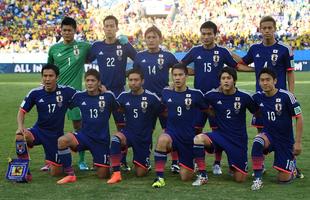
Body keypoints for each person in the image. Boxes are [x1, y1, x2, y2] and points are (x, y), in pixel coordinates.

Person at [232, 16, 302, 177]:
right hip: (261, 98)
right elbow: (241, 63)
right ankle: (260, 164)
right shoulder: (255, 48)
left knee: (286, 131)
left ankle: (292, 163)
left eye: (270, 28)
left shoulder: (285, 49)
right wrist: (230, 53)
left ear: (275, 29)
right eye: (264, 28)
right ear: (260, 30)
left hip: (281, 99)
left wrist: (291, 92)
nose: (267, 31)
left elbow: (290, 73)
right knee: (260, 130)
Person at [181, 21, 253, 175]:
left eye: (209, 34)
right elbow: (180, 66)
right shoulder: (195, 51)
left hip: (218, 100)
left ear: (215, 35)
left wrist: (256, 70)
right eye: (203, 34)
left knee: (218, 130)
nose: (206, 37)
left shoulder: (222, 51)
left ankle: (217, 163)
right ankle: (196, 161)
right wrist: (194, 71)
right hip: (200, 99)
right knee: (196, 129)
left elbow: (236, 66)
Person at [192, 67, 257, 186]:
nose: (226, 81)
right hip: (220, 136)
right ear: (220, 81)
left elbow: (257, 112)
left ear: (234, 80)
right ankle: (202, 175)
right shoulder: (212, 95)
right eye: (223, 78)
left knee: (240, 179)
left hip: (238, 140)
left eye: (229, 78)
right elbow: (197, 100)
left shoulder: (245, 97)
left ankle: (234, 165)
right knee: (198, 139)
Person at [88, 15, 137, 171]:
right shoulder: (96, 46)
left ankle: (121, 160)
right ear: (103, 28)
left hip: (119, 92)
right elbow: (85, 60)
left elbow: (139, 59)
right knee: (99, 126)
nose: (109, 28)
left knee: (122, 127)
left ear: (117, 28)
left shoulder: (123, 45)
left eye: (112, 26)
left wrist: (127, 73)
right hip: (101, 92)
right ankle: (99, 158)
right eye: (106, 26)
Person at [15, 64, 76, 181]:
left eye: (51, 76)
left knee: (56, 173)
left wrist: (101, 89)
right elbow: (21, 111)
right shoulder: (35, 92)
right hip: (39, 132)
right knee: (19, 137)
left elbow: (84, 96)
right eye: (45, 76)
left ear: (57, 77)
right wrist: (20, 127)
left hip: (55, 137)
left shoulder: (66, 91)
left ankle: (56, 160)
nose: (47, 79)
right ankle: (25, 172)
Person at [56, 69, 117, 184]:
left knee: (103, 175)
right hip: (84, 136)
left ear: (99, 83)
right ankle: (70, 174)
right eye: (87, 80)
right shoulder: (79, 96)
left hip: (101, 140)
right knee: (62, 140)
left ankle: (103, 161)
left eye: (93, 80)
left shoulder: (108, 96)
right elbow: (64, 104)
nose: (89, 83)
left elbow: (119, 109)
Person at [133, 25, 180, 173]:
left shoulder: (168, 55)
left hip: (164, 99)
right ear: (144, 39)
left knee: (170, 131)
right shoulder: (139, 56)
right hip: (145, 101)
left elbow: (179, 70)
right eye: (148, 37)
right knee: (146, 131)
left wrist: (174, 82)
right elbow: (135, 76)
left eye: (154, 37)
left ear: (160, 39)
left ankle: (175, 162)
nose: (151, 40)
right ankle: (145, 160)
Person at [152, 63, 207, 188]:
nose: (177, 78)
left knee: (185, 178)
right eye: (175, 75)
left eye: (180, 75)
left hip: (188, 138)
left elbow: (207, 110)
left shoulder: (196, 94)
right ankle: (159, 177)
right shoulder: (166, 92)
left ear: (186, 76)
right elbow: (162, 109)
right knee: (162, 139)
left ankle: (191, 162)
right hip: (172, 135)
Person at [47, 16, 91, 170]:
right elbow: (48, 71)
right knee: (52, 127)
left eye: (70, 30)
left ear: (75, 31)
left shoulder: (84, 46)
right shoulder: (54, 49)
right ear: (60, 30)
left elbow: (101, 48)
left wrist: (120, 41)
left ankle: (81, 160)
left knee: (79, 126)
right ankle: (51, 160)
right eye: (64, 30)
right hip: (56, 94)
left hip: (75, 95)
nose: (67, 33)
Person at [250, 68, 303, 190]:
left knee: (283, 179)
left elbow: (299, 118)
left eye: (268, 79)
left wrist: (298, 142)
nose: (265, 83)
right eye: (262, 80)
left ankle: (292, 168)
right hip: (268, 136)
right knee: (258, 141)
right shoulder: (257, 97)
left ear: (275, 81)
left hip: (285, 141)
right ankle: (258, 178)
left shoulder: (287, 96)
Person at [107, 68, 162, 184]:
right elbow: (114, 106)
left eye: (136, 80)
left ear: (142, 81)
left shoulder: (152, 97)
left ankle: (145, 163)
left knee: (140, 174)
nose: (133, 82)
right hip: (128, 134)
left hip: (143, 138)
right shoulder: (123, 96)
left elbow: (163, 110)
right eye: (130, 80)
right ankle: (116, 173)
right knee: (116, 139)